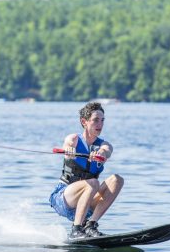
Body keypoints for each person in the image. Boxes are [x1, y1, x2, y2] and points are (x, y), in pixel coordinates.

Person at [49, 102, 124, 240]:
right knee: (94, 183)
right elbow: (68, 143)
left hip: (87, 201)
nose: (100, 124)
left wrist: (101, 153)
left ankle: (90, 225)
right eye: (95, 120)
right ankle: (76, 229)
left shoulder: (103, 144)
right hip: (64, 198)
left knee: (117, 180)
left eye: (102, 120)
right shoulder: (74, 139)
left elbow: (107, 151)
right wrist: (70, 150)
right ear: (84, 122)